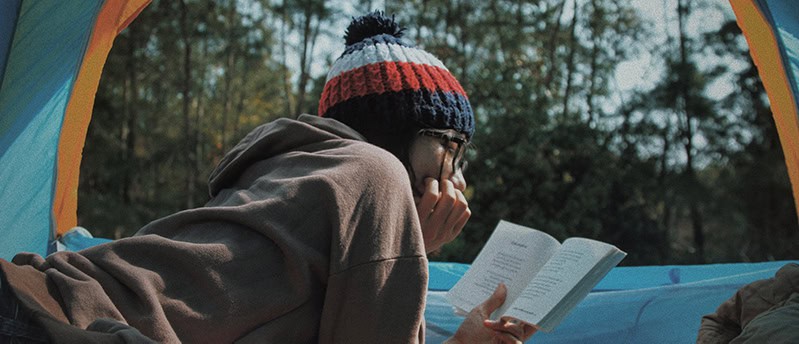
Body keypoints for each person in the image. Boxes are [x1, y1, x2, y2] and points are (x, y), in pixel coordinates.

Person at [0, 11, 535, 343]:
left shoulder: (298, 174)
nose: (457, 176)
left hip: (38, 302)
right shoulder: (377, 173)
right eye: (450, 147)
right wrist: (411, 245)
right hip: (59, 323)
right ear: (399, 130)